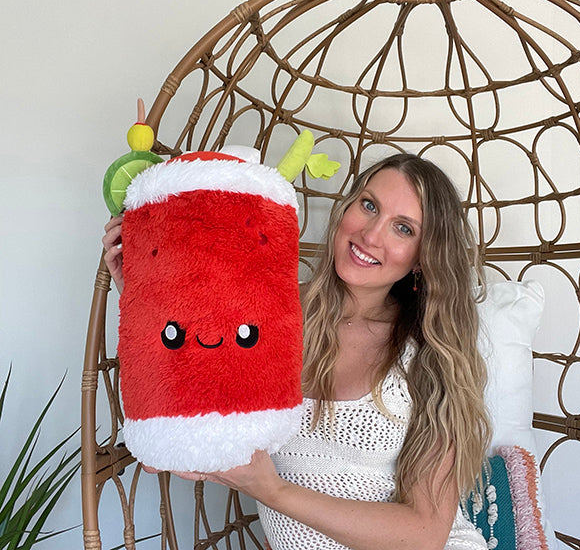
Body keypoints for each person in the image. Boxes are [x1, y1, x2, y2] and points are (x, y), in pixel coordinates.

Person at [102, 153, 491, 550]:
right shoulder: (261, 313)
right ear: (347, 206)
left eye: (403, 228)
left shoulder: (432, 354)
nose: (371, 235)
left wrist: (272, 491)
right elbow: (191, 376)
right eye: (369, 205)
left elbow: (426, 534)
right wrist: (143, 294)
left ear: (423, 257)